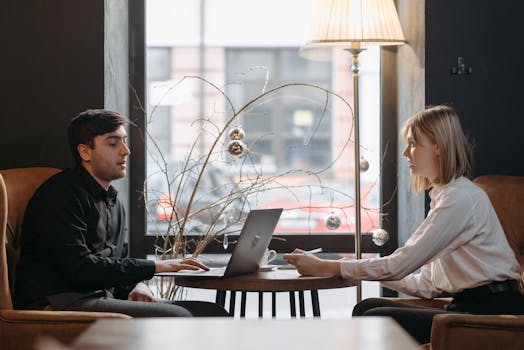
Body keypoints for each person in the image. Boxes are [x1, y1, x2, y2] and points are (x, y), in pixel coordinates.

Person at [284, 105, 524, 343]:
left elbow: (400, 265)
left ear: (437, 146)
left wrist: (331, 267)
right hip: (466, 306)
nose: (406, 153)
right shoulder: (446, 196)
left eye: (413, 143)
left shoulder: (459, 199)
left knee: (373, 317)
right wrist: (356, 271)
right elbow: (426, 286)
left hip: (490, 311)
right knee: (367, 308)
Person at [14, 109, 228, 317]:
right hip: (59, 302)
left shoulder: (113, 202)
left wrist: (136, 285)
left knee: (211, 312)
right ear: (85, 151)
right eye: (113, 143)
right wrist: (156, 266)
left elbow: (115, 264)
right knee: (179, 316)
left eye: (124, 141)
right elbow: (81, 268)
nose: (125, 150)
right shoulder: (60, 194)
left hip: (97, 297)